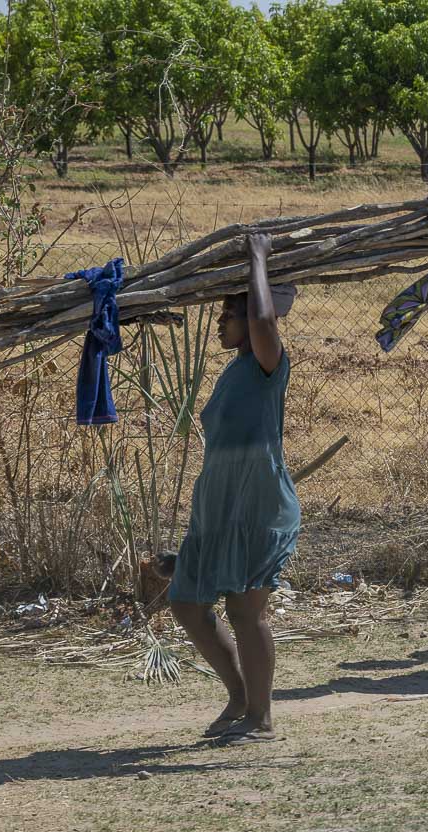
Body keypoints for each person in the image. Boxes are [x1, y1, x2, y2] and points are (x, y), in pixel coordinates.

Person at [168, 233, 300, 744]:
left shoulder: (269, 366)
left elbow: (266, 321)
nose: (220, 324)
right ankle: (241, 695)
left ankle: (261, 720)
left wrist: (258, 259)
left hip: (258, 507)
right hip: (220, 510)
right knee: (185, 601)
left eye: (228, 315)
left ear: (250, 319)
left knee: (246, 612)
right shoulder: (236, 372)